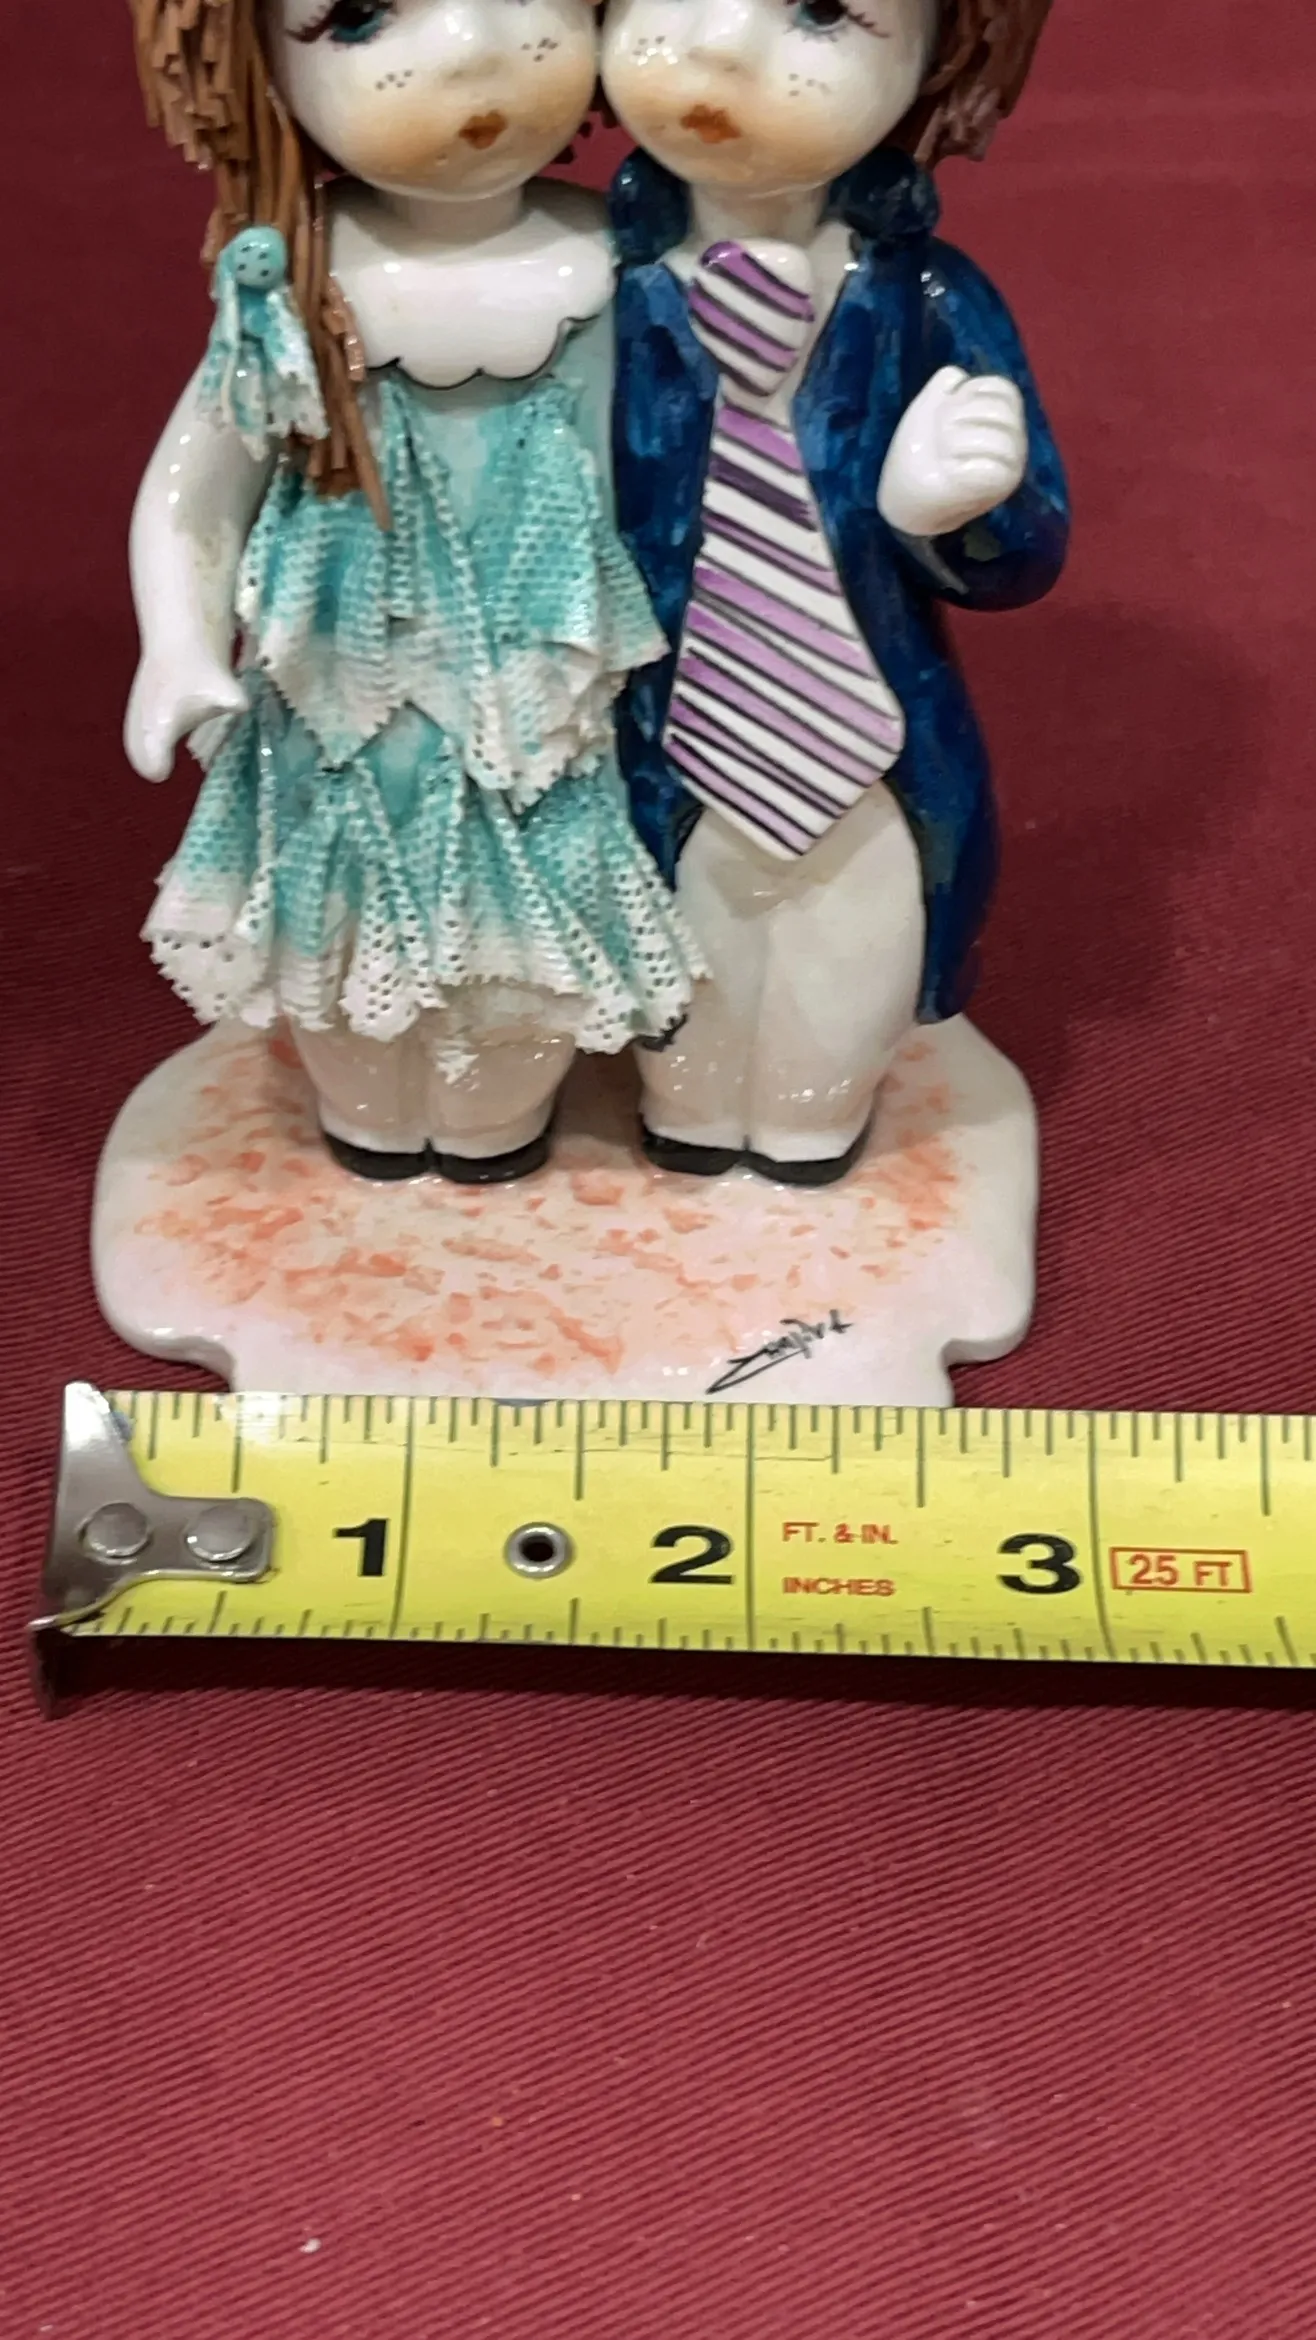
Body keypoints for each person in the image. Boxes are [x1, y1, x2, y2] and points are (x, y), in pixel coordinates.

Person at [125, 0, 702, 1182]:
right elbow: (200, 482)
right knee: (340, 900)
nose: (471, 50)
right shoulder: (290, 276)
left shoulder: (619, 259)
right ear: (254, 68)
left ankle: (495, 1113)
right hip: (343, 693)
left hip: (545, 704)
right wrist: (176, 641)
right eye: (357, 17)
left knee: (533, 898)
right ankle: (369, 1107)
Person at [603, 0, 1069, 1182]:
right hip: (658, 743)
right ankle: (688, 1115)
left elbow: (1029, 546)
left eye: (822, 11)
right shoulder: (591, 292)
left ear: (935, 55)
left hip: (865, 750)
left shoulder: (926, 300)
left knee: (833, 1020)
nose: (718, 45)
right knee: (683, 1040)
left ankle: (809, 1128)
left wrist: (945, 513)